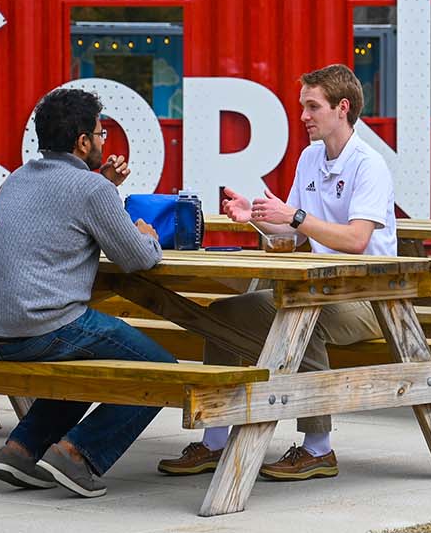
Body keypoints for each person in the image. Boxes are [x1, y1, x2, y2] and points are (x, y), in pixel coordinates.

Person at [158, 63, 396, 482]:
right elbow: (293, 230)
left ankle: (318, 448)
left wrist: (296, 216)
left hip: (370, 296)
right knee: (223, 312)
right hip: (322, 285)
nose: (303, 116)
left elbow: (357, 240)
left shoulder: (369, 164)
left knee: (303, 316)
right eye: (302, 106)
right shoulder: (310, 157)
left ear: (343, 108)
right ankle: (215, 439)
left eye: (312, 106)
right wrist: (255, 217)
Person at [0, 87, 173, 499]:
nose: (103, 141)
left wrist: (105, 186)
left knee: (84, 357)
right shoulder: (91, 190)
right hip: (36, 327)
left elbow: (70, 205)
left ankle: (21, 451)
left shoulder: (19, 177)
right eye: (100, 134)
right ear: (82, 142)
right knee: (163, 371)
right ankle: (78, 456)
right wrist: (148, 235)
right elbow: (137, 259)